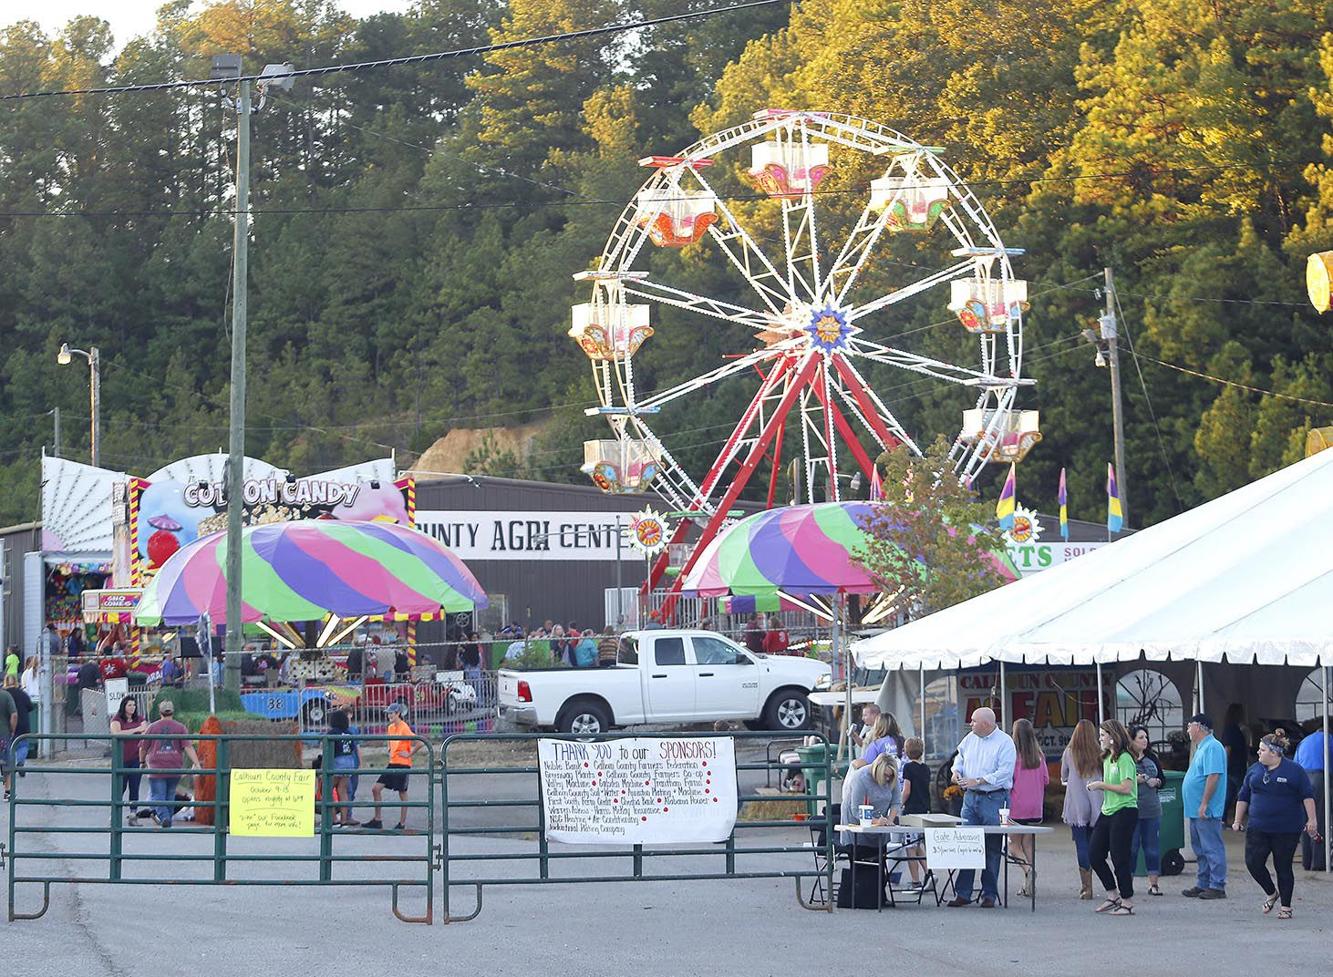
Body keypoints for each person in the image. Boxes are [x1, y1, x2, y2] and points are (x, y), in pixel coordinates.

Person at [1233, 733, 1319, 920]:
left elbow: (1307, 796)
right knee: (1253, 863)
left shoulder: (1295, 771)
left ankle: (1286, 907)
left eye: (1262, 750)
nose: (1258, 752)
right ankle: (1272, 892)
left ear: (1274, 753)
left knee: (1283, 866)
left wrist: (1312, 820)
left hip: (1286, 829)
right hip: (1258, 827)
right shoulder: (1254, 770)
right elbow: (1243, 796)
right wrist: (1237, 820)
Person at [946, 706, 1016, 908]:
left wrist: (980, 780)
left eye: (974, 721)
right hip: (970, 798)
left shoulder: (1005, 743)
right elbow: (959, 757)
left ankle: (989, 894)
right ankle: (963, 892)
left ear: (986, 724)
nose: (971, 724)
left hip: (995, 798)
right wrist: (956, 771)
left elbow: (1005, 772)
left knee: (992, 847)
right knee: (967, 843)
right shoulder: (970, 739)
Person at [1087, 720, 1139, 915]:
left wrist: (1101, 785)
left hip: (1125, 810)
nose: (1100, 738)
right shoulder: (1107, 758)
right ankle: (1112, 894)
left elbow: (1126, 788)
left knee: (1119, 856)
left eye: (1102, 735)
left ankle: (1127, 900)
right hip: (1107, 810)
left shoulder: (1125, 758)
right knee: (1094, 854)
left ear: (1112, 737)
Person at [1181, 712, 1228, 899]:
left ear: (1198, 727)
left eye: (1189, 726)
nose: (1187, 730)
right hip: (1195, 808)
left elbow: (1213, 775)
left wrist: (1205, 803)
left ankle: (1217, 884)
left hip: (1205, 809)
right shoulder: (1202, 747)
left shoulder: (1213, 747)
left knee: (1211, 847)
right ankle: (1203, 882)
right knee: (1200, 848)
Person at [139, 700, 200, 829]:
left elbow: (143, 747)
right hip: (174, 766)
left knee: (158, 796)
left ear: (160, 712)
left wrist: (142, 761)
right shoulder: (180, 727)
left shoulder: (152, 727)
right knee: (170, 795)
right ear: (172, 711)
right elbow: (188, 747)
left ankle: (165, 818)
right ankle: (167, 820)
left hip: (157, 767)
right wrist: (197, 763)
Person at [1062, 718, 1103, 899]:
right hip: (1096, 803)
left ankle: (1087, 887)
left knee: (1081, 844)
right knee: (1094, 843)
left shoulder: (1069, 752)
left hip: (1076, 805)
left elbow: (1063, 775)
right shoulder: (1100, 753)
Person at [364, 702, 421, 831]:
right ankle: (377, 819)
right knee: (376, 789)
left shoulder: (404, 727)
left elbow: (419, 742)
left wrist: (409, 753)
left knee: (402, 792)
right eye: (388, 713)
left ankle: (402, 823)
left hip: (403, 764)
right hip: (393, 762)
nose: (389, 715)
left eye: (392, 713)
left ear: (398, 714)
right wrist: (389, 749)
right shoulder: (390, 728)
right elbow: (390, 742)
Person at [1009, 718, 1049, 897]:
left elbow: (1008, 782)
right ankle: (1027, 884)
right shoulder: (1039, 756)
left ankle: (1027, 871)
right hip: (1035, 808)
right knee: (1028, 844)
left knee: (1012, 845)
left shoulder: (1014, 757)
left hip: (1017, 807)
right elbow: (1046, 780)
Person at [1127, 725, 1165, 897]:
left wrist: (1156, 782)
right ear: (1132, 740)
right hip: (1132, 809)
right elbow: (1120, 779)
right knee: (1132, 848)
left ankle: (1154, 884)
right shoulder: (1125, 758)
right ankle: (1128, 884)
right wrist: (1140, 779)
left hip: (1152, 808)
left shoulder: (1152, 758)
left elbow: (1163, 780)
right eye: (1141, 737)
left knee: (1152, 847)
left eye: (1146, 737)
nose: (1145, 740)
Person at [839, 753, 902, 850]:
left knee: (880, 859)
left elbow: (896, 802)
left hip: (879, 827)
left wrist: (889, 820)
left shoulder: (893, 779)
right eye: (885, 775)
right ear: (877, 770)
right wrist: (876, 821)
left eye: (891, 776)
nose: (888, 778)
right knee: (861, 859)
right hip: (856, 825)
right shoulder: (860, 778)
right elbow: (856, 810)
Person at [1295, 719, 1328, 870]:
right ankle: (1319, 863)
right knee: (1319, 819)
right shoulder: (1329, 739)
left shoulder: (1304, 741)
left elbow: (1295, 763)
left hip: (1302, 778)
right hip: (1318, 778)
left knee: (1305, 820)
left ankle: (1306, 861)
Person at [900, 736, 931, 886]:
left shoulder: (908, 767)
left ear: (906, 751)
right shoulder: (925, 768)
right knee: (918, 844)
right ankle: (928, 873)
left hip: (911, 811)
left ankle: (915, 880)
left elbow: (906, 790)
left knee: (910, 847)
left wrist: (899, 803)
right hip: (924, 810)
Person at [110, 695, 148, 818]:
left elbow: (145, 730)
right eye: (129, 705)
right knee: (120, 787)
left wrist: (137, 730)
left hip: (136, 757)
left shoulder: (140, 718)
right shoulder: (117, 719)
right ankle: (114, 813)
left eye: (134, 705)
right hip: (121, 758)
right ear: (124, 706)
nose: (132, 707)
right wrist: (136, 729)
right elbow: (117, 733)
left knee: (134, 786)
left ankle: (133, 813)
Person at [326, 709, 360, 827]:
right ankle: (344, 820)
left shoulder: (332, 733)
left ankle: (333, 818)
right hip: (349, 761)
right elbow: (352, 748)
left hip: (337, 761)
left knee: (327, 789)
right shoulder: (349, 733)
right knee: (343, 790)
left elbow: (329, 750)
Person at [1222, 703, 1250, 815]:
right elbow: (1227, 748)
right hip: (1234, 767)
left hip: (1235, 766)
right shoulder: (1232, 730)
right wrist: (1225, 765)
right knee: (1239, 793)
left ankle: (1224, 817)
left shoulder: (1233, 729)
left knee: (1231, 793)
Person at [0, 682, 16, 801]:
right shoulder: (6, 696)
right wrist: (12, 730)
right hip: (3, 734)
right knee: (6, 763)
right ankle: (8, 791)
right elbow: (14, 715)